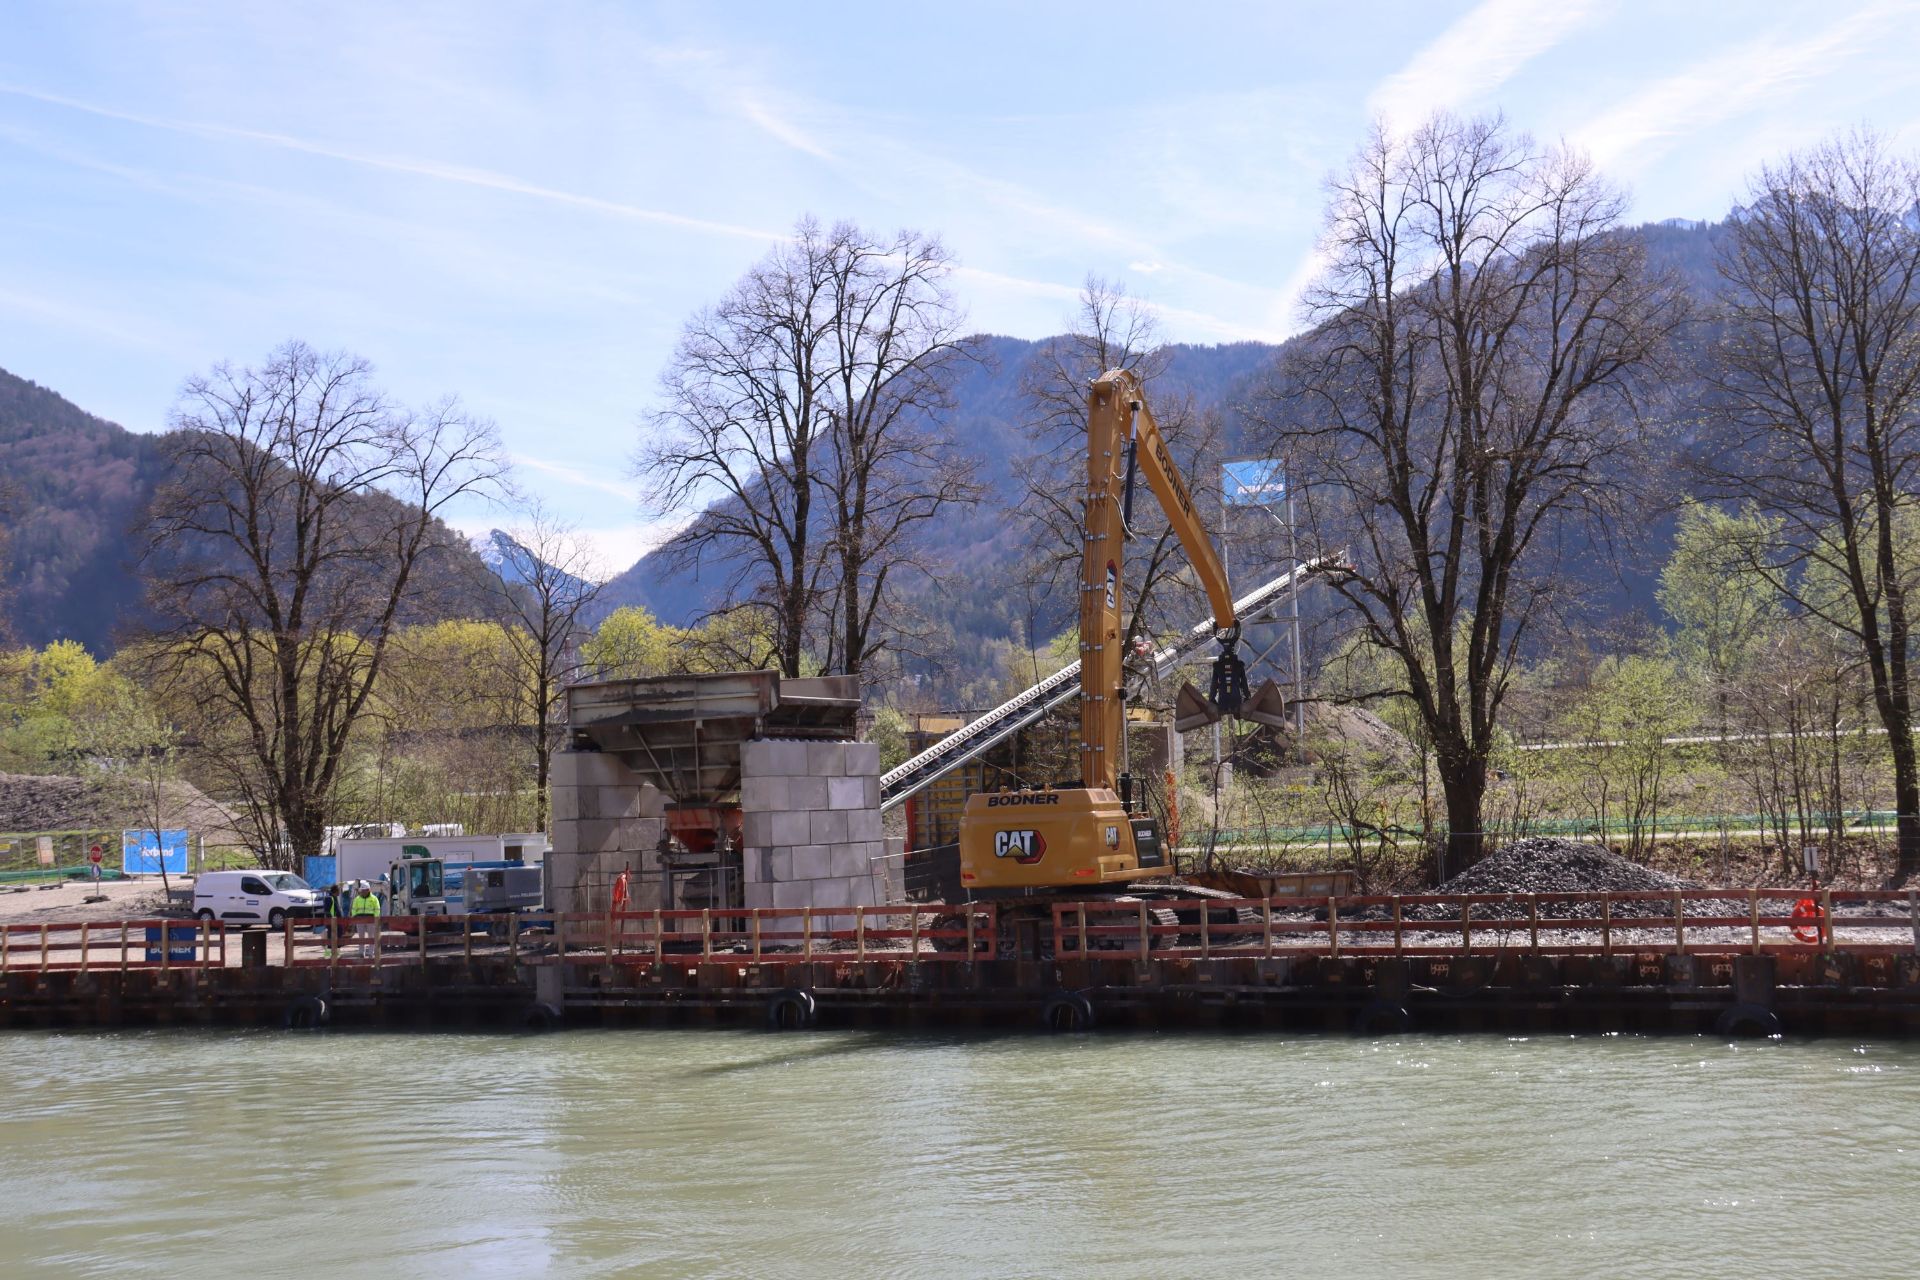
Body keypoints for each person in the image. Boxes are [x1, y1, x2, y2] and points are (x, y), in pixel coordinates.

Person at [349, 879, 382, 959]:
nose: (362, 892)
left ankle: (371, 954)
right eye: (362, 890)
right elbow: (353, 909)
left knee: (371, 937)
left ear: (368, 890)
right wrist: (354, 917)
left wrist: (375, 919)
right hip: (360, 920)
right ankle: (361, 953)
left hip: (371, 920)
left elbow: (377, 909)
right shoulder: (357, 899)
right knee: (361, 937)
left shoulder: (374, 899)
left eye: (364, 890)